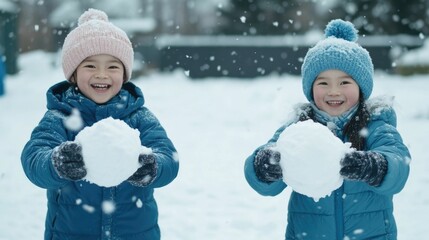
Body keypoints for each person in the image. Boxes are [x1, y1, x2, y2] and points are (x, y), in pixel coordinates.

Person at [244, 19, 410, 240]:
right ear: (311, 90)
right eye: (323, 83)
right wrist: (264, 165)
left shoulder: (377, 125)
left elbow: (398, 163)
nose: (333, 91)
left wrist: (372, 166)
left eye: (344, 83)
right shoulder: (298, 129)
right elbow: (265, 181)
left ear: (361, 89)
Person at [21, 8, 179, 240]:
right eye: (90, 66)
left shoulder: (139, 117)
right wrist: (57, 163)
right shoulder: (60, 118)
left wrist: (151, 167)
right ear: (73, 74)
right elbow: (34, 159)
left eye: (113, 66)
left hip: (134, 233)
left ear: (124, 75)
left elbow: (169, 158)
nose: (102, 74)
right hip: (72, 233)